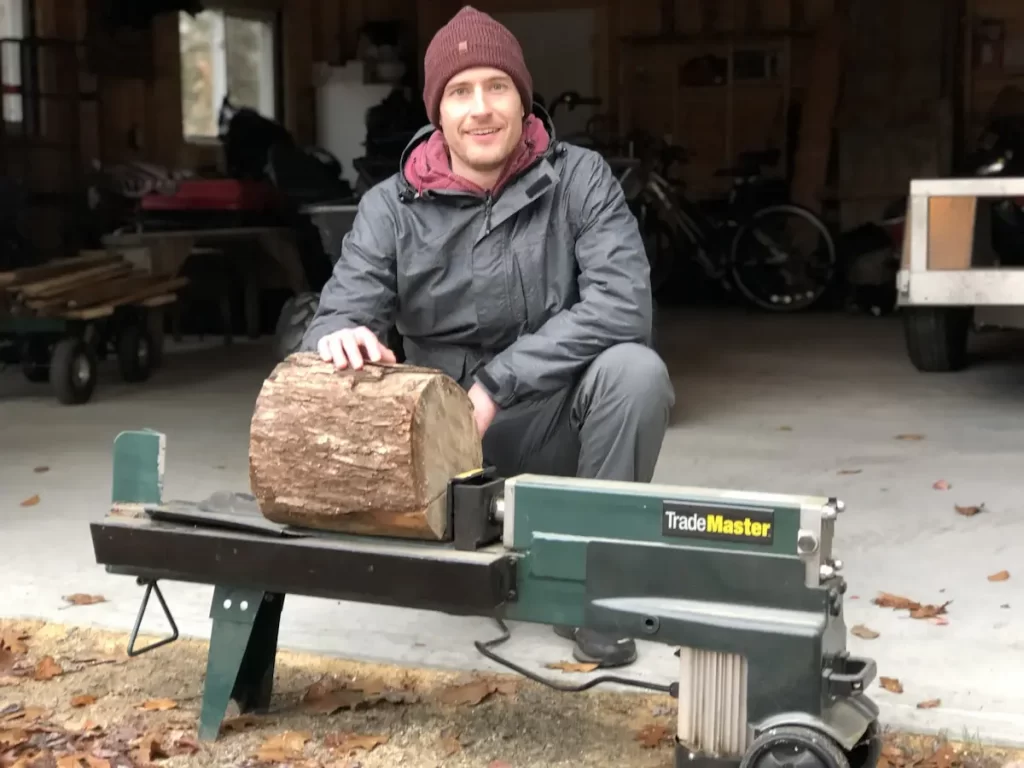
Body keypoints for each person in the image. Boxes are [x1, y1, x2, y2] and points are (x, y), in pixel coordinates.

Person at [301, 5, 676, 668]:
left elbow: (624, 305)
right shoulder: (390, 206)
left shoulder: (580, 178)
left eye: (496, 87)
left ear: (523, 100)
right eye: (460, 91)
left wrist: (499, 384)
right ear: (438, 112)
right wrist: (339, 336)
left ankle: (592, 588)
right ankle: (464, 541)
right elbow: (335, 314)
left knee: (635, 373)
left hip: (555, 425)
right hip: (442, 447)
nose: (481, 108)